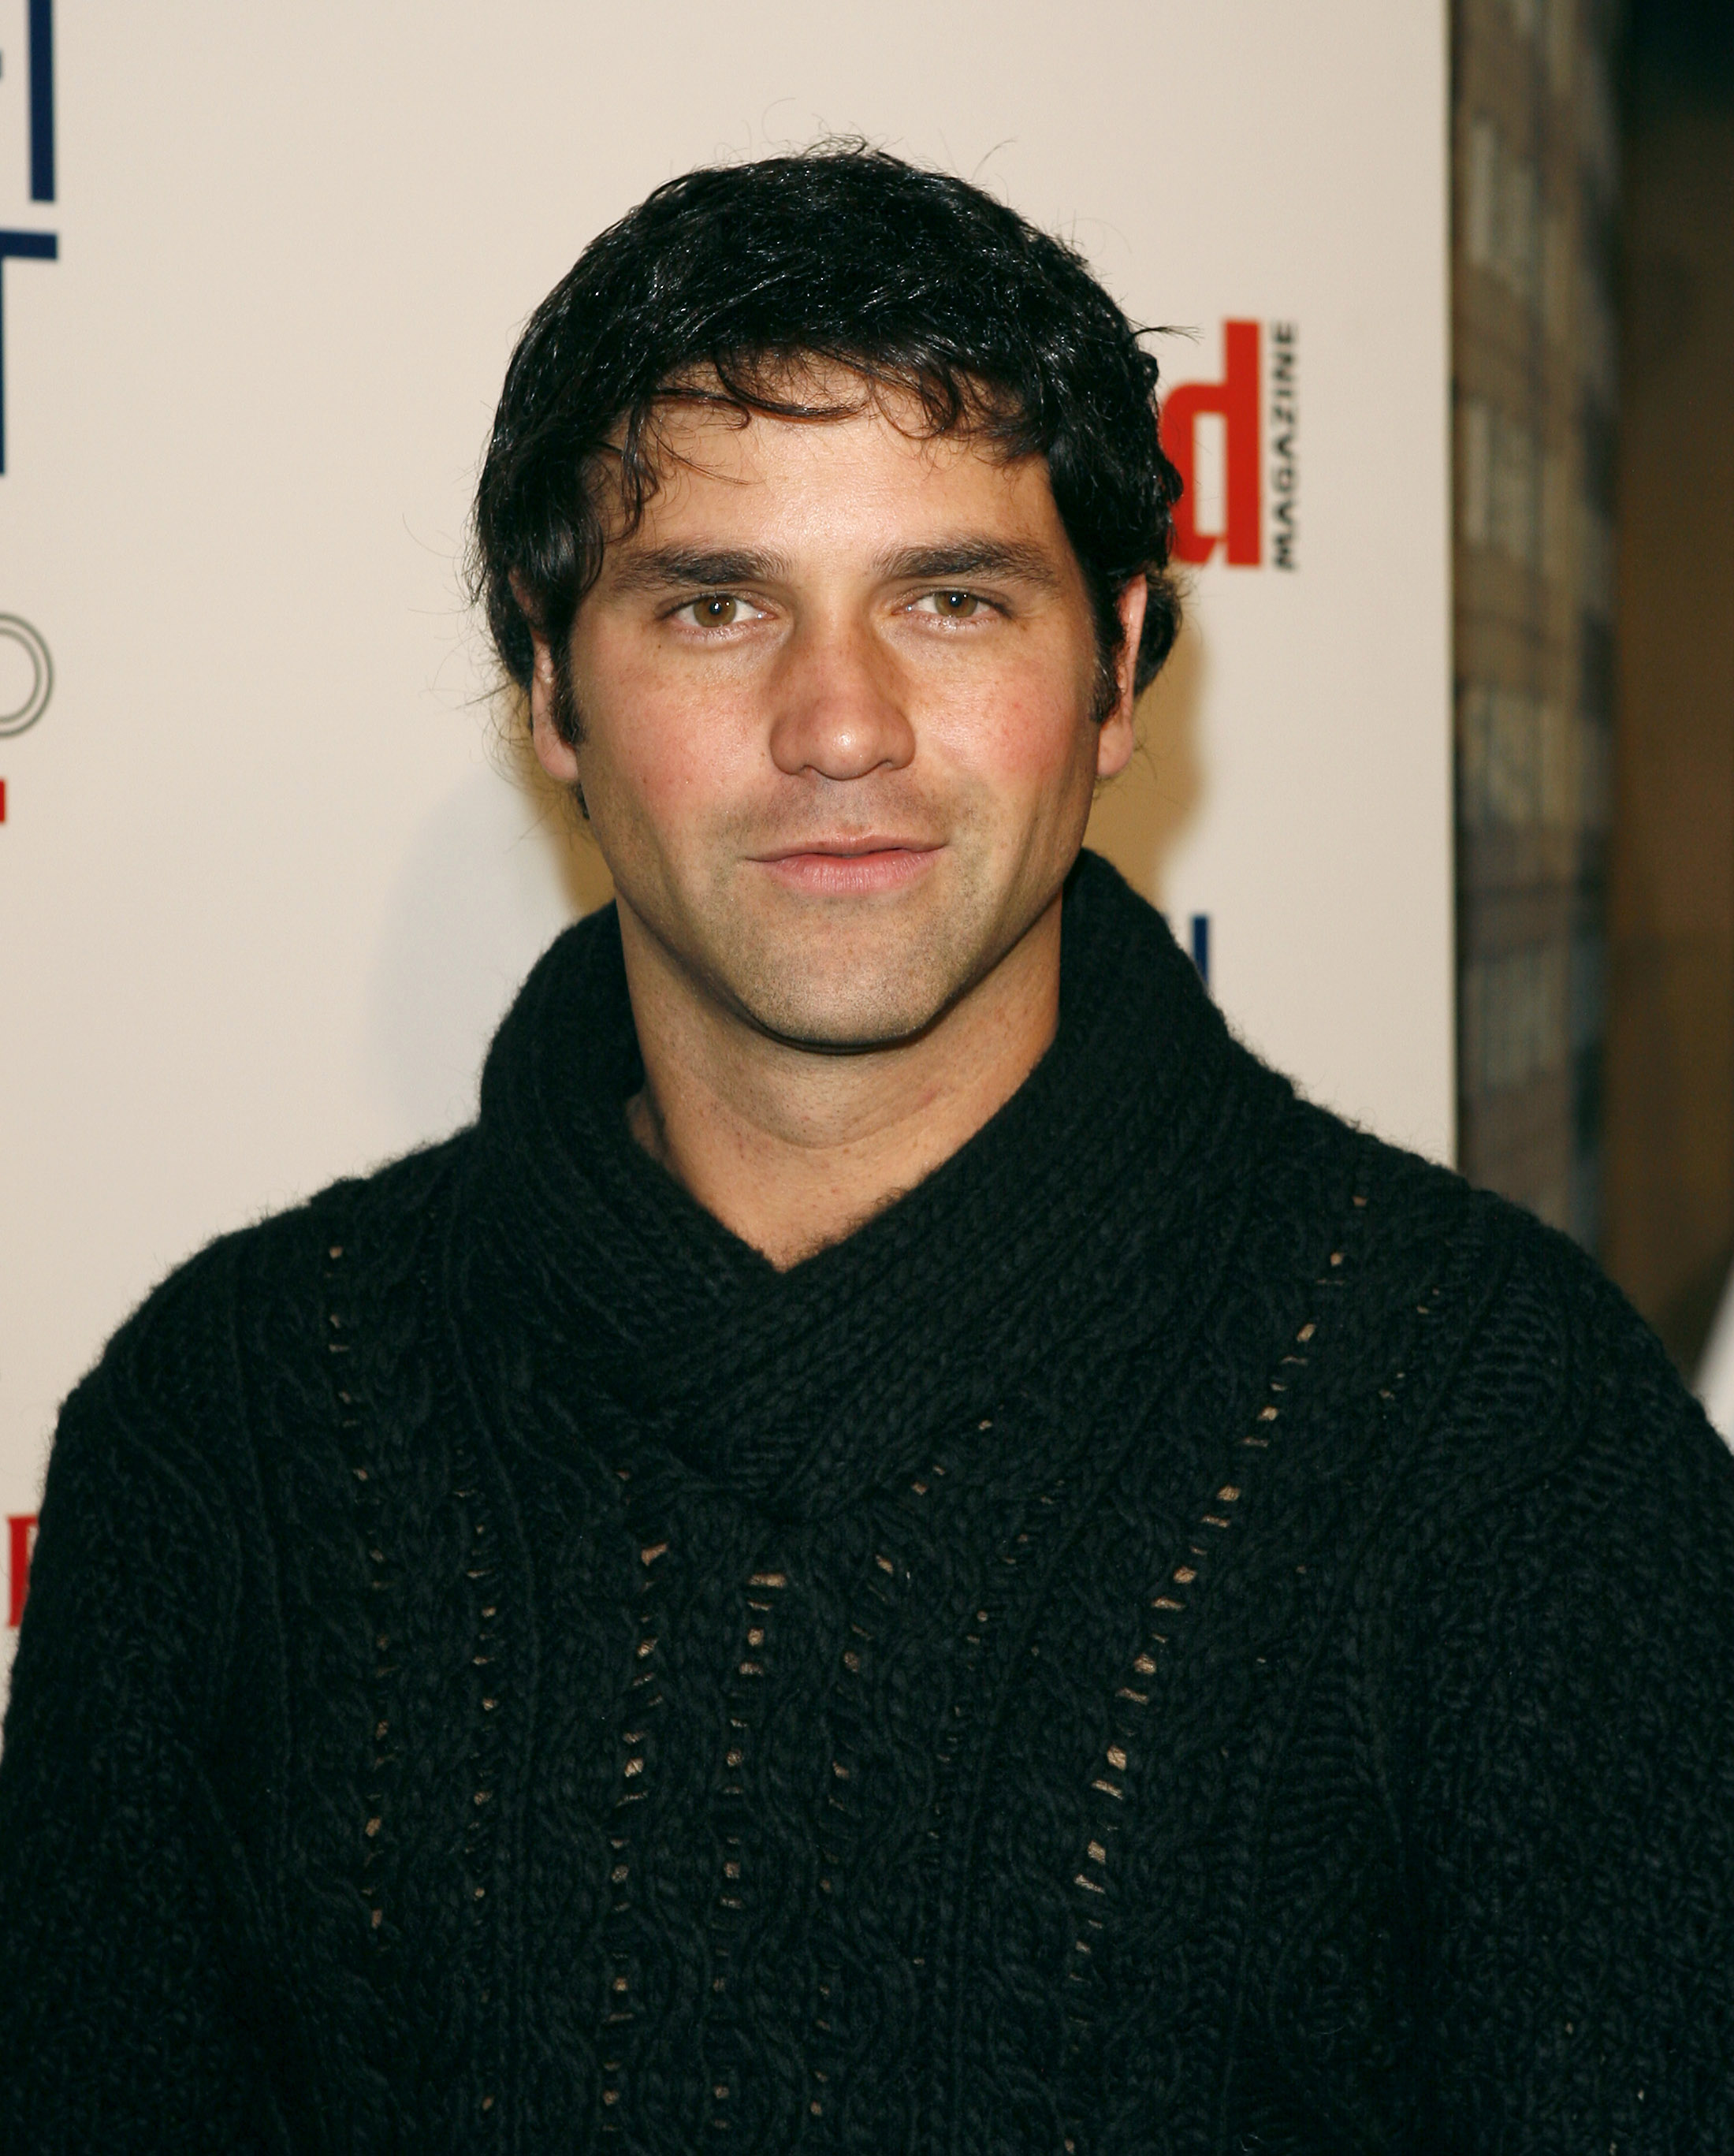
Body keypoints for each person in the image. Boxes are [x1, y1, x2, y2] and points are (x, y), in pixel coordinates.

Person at [2, 145, 1731, 2154]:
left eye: (951, 595)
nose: (841, 725)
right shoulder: (224, 1429)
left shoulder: (1505, 1437)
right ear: (548, 687)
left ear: (1114, 667)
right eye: (717, 602)